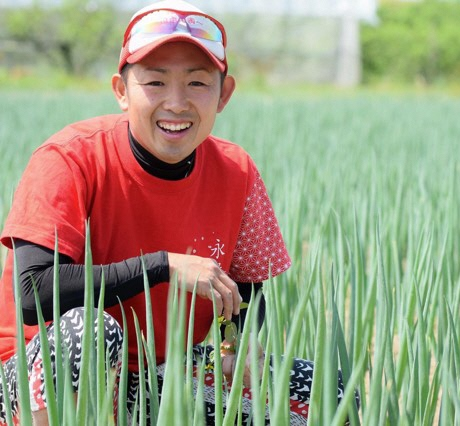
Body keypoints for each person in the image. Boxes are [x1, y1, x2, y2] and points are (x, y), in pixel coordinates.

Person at [0, 1, 351, 424]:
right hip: (31, 380)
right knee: (90, 332)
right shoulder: (69, 158)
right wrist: (163, 267)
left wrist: (235, 344)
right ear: (120, 91)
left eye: (198, 83)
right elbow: (33, 290)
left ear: (224, 94)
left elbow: (247, 289)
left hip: (155, 377)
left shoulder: (237, 171)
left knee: (326, 394)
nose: (177, 103)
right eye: (155, 82)